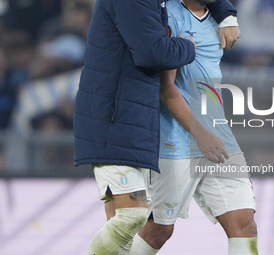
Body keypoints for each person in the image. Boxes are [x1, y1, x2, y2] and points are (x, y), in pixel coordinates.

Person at [73, 0, 240, 254]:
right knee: (132, 217)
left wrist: (226, 14)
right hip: (114, 118)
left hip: (133, 119)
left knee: (123, 230)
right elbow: (152, 53)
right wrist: (186, 46)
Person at [129, 0, 258, 254]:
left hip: (219, 138)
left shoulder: (218, 17)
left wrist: (228, 16)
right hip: (176, 139)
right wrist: (200, 135)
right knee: (159, 231)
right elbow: (166, 90)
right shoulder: (168, 16)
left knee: (245, 226)